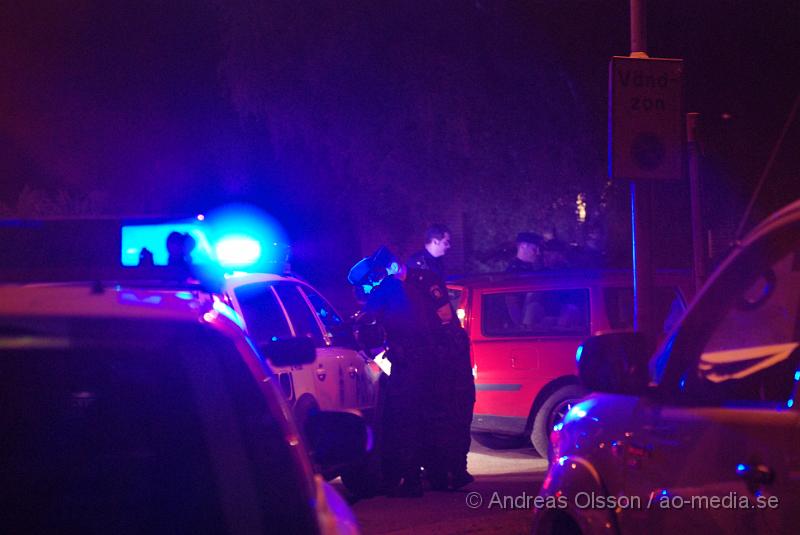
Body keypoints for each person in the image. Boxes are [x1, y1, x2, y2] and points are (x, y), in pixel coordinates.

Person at [349, 247, 429, 497]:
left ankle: (409, 481)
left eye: (363, 286)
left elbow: (365, 320)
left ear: (371, 278)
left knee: (401, 421)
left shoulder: (383, 291)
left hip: (406, 364)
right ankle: (410, 477)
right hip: (421, 362)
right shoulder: (402, 287)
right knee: (412, 420)